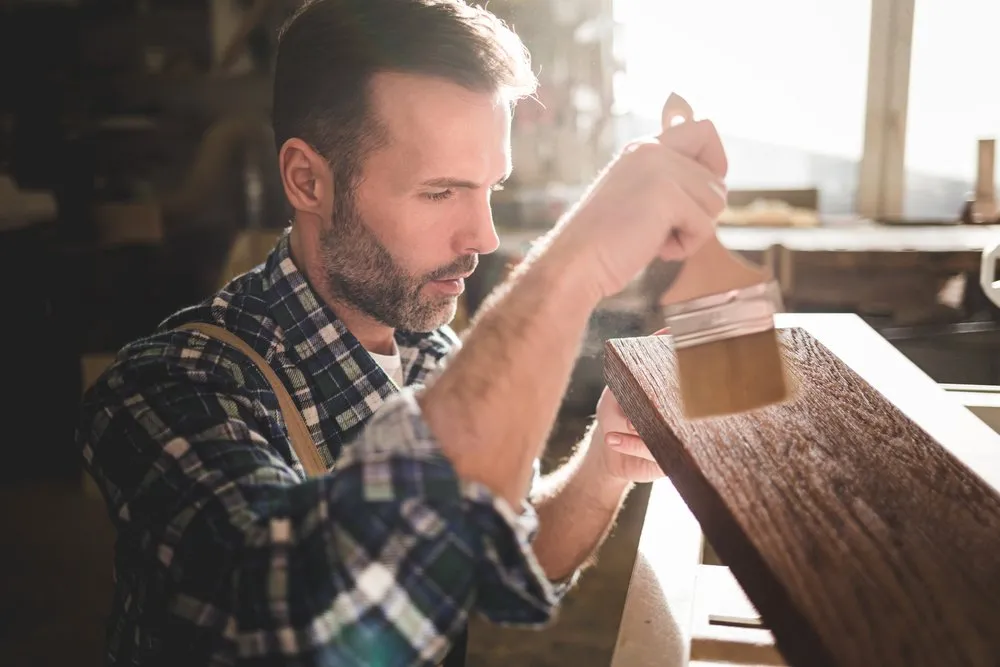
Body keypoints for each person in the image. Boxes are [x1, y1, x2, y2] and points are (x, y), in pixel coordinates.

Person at [76, 1, 728, 665]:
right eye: (440, 192)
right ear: (308, 180)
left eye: (489, 190)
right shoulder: (168, 387)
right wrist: (573, 263)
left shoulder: (437, 358)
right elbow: (297, 627)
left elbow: (501, 551)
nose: (484, 237)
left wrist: (602, 466)